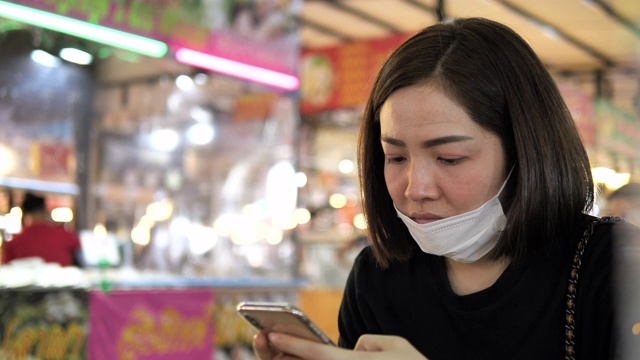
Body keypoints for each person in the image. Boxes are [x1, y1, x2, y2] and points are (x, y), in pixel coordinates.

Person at [252, 17, 634, 359]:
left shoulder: (614, 267)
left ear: (525, 151)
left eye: (449, 158)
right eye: (396, 158)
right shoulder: (377, 279)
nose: (416, 189)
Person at [2, 192, 82, 267]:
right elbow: (81, 258)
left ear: (25, 213)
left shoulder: (15, 242)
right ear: (45, 211)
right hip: (66, 281)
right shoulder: (65, 236)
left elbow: (6, 269)